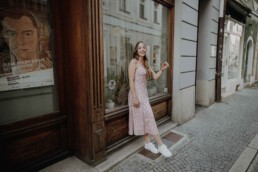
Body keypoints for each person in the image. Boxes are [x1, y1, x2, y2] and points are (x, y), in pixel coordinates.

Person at [128, 41, 172, 157]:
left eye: (143, 48)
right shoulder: (134, 62)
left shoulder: (146, 64)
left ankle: (148, 143)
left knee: (147, 119)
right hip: (136, 95)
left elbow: (155, 77)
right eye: (139, 48)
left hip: (144, 95)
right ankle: (161, 145)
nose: (142, 49)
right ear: (136, 50)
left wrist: (162, 69)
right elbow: (131, 81)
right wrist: (134, 98)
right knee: (149, 118)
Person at [0, 8, 52, 77]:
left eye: (27, 34)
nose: (20, 41)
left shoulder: (52, 66)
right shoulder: (3, 72)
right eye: (12, 34)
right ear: (4, 38)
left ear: (38, 35)